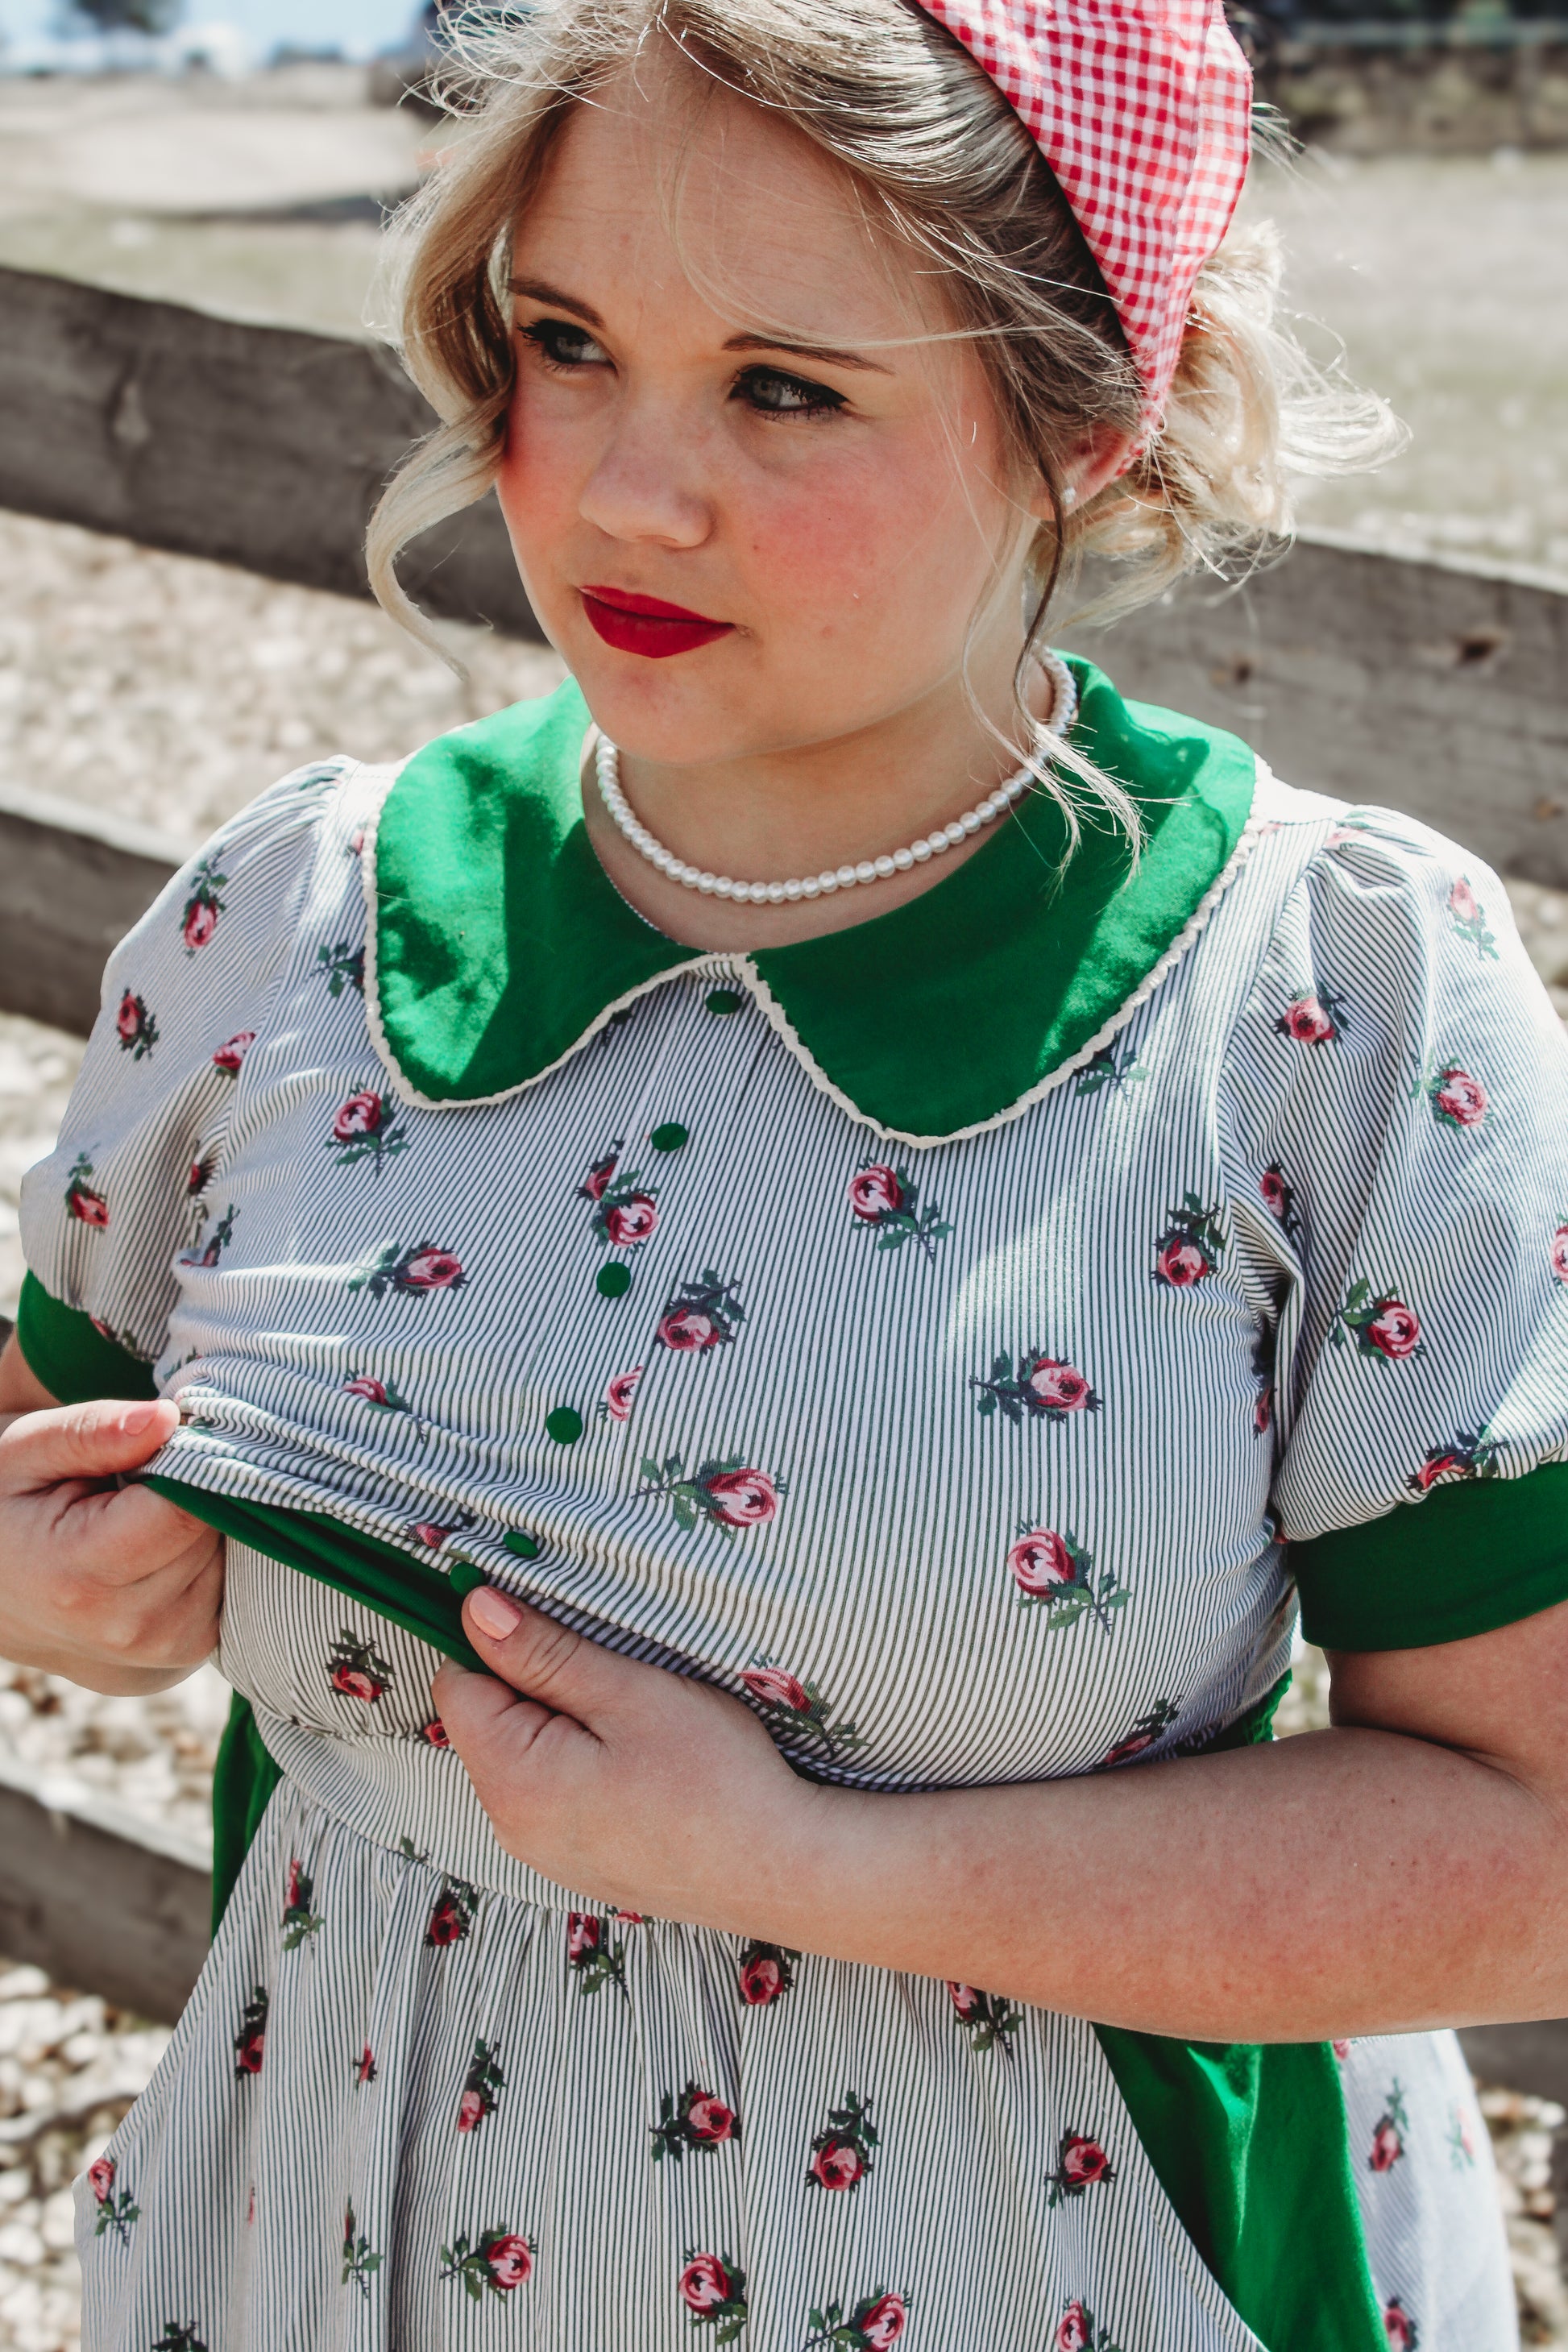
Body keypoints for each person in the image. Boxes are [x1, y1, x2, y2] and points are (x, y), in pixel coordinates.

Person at [1, 0, 1563, 2343]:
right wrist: (52, 1591)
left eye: (785, 385)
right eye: (565, 340)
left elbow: (1531, 1845)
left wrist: (806, 1864)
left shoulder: (1318, 999)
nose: (626, 490)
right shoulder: (285, 918)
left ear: (1087, 420)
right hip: (324, 2236)